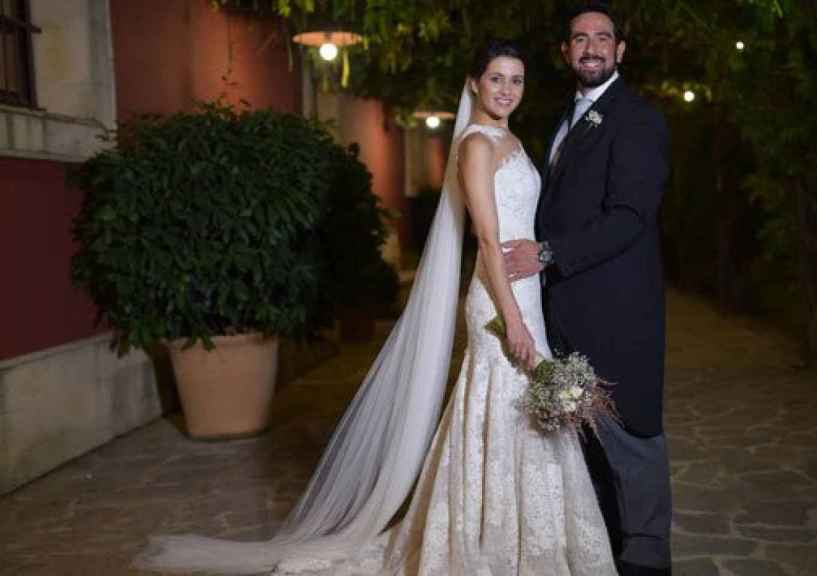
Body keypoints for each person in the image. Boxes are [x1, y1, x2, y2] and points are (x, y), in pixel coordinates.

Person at [136, 40, 617, 576]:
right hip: (501, 299)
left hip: (524, 292)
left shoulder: (511, 140)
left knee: (528, 413)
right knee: (501, 408)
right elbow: (486, 238)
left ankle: (536, 542)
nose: (507, 90)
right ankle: (491, 546)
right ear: (475, 82)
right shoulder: (477, 145)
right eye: (497, 78)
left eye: (517, 80)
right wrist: (515, 321)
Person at [502, 4, 673, 575]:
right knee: (589, 451)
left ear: (621, 51)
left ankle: (648, 561)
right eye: (580, 38)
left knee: (633, 441)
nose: (592, 47)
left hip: (618, 315)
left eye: (603, 38)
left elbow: (629, 216)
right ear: (565, 51)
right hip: (567, 312)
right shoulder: (564, 116)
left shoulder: (638, 119)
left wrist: (546, 255)